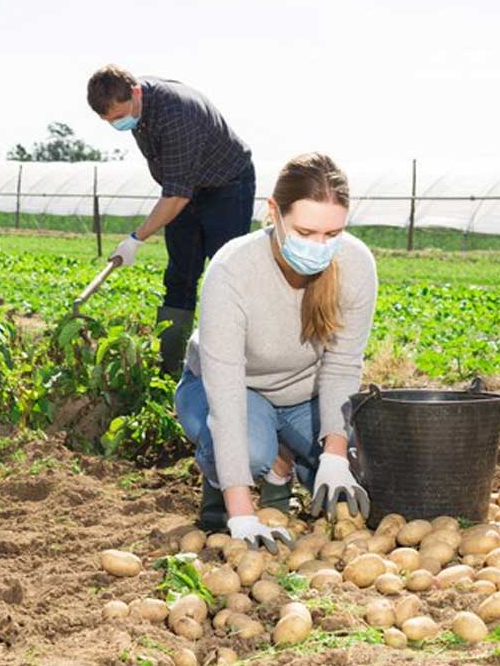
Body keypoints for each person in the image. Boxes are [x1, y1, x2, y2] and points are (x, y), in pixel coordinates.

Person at [174, 153, 378, 551]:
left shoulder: (355, 264)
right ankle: (222, 498)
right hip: (231, 391)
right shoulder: (232, 269)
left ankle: (285, 464)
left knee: (362, 470)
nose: (320, 247)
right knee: (249, 451)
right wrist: (242, 515)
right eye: (305, 232)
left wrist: (335, 454)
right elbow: (227, 394)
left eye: (332, 234)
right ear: (274, 212)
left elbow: (341, 367)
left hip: (305, 394)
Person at [86, 65, 255, 375]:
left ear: (135, 92)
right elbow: (176, 189)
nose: (118, 124)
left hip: (226, 187)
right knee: (180, 276)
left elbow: (177, 195)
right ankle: (171, 368)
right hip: (184, 189)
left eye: (120, 116)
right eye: (109, 121)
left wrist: (136, 238)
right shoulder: (138, 110)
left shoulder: (177, 113)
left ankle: (227, 368)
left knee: (226, 278)